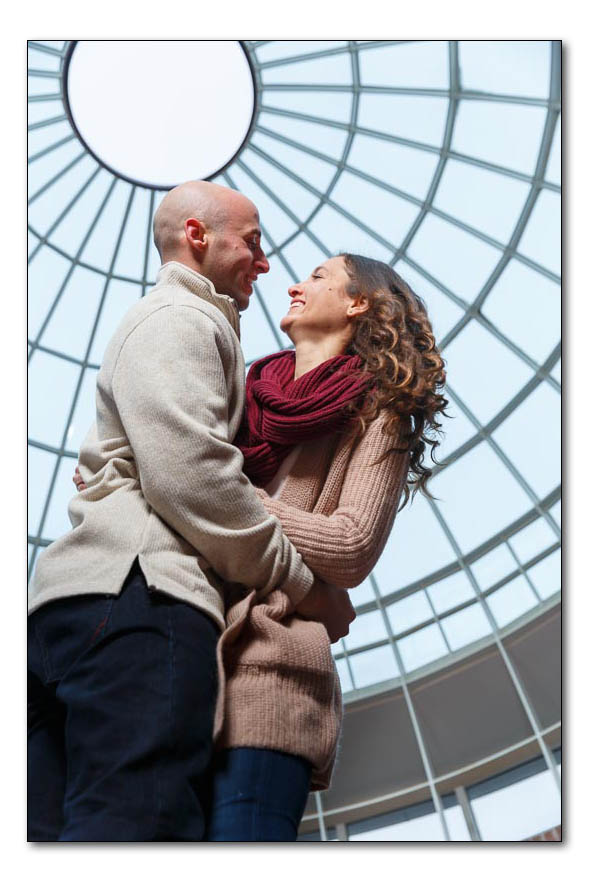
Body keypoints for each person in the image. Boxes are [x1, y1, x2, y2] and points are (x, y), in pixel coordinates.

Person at [75, 252, 448, 842]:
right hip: (178, 655)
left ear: (359, 304)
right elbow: (163, 473)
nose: (295, 286)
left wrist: (217, 491)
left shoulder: (381, 411)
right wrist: (175, 479)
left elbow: (351, 545)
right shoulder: (246, 388)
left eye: (318, 277)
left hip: (274, 673)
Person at [27, 181, 354, 842]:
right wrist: (302, 585)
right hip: (143, 594)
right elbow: (192, 477)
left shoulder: (172, 324)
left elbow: (162, 461)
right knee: (139, 821)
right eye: (252, 242)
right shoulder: (183, 317)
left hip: (74, 604)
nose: (265, 263)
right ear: (197, 237)